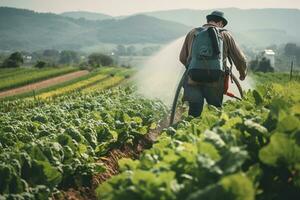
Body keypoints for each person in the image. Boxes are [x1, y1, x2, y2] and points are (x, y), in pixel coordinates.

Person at [179, 10, 247, 117]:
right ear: (220, 23)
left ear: (208, 21)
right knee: (215, 112)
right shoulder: (225, 34)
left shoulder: (193, 32)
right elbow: (240, 59)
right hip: (215, 80)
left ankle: (190, 131)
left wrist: (194, 68)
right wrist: (242, 73)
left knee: (194, 112)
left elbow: (182, 57)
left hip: (193, 79)